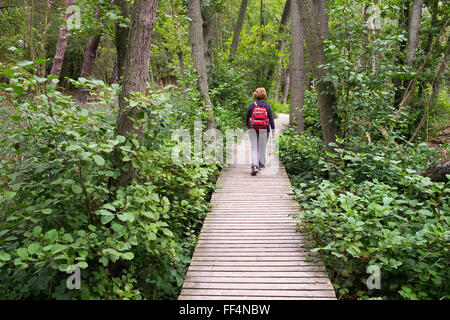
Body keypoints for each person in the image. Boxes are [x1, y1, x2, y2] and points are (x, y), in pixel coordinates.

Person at [245, 88, 275, 175]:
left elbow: (247, 118)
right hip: (264, 129)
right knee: (262, 147)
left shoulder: (252, 105)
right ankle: (261, 164)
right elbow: (271, 119)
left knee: (254, 147)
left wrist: (249, 127)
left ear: (256, 95)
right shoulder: (267, 106)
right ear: (264, 95)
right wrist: (273, 130)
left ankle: (254, 166)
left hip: (253, 129)